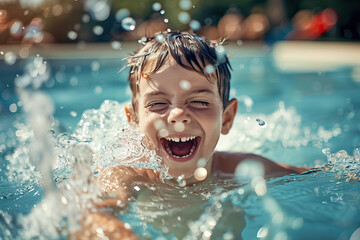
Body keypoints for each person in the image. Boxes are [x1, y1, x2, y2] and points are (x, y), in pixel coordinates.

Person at [72, 31, 310, 239]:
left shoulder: (239, 169)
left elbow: (321, 175)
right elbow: (91, 216)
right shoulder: (127, 176)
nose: (177, 115)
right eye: (157, 103)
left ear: (226, 119)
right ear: (134, 121)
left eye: (198, 101)